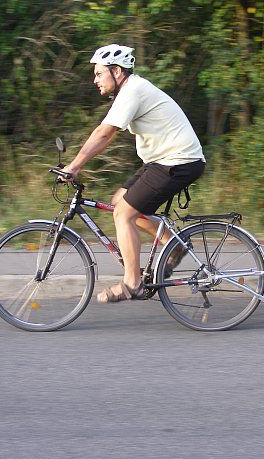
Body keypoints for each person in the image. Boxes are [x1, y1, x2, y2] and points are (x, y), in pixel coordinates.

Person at [60, 44, 205, 303]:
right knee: (120, 200)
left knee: (123, 213)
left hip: (177, 161)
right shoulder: (130, 90)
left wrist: (74, 166)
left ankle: (132, 283)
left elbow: (105, 133)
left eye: (98, 73)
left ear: (116, 71)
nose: (94, 80)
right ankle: (174, 243)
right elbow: (105, 133)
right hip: (164, 161)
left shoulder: (133, 90)